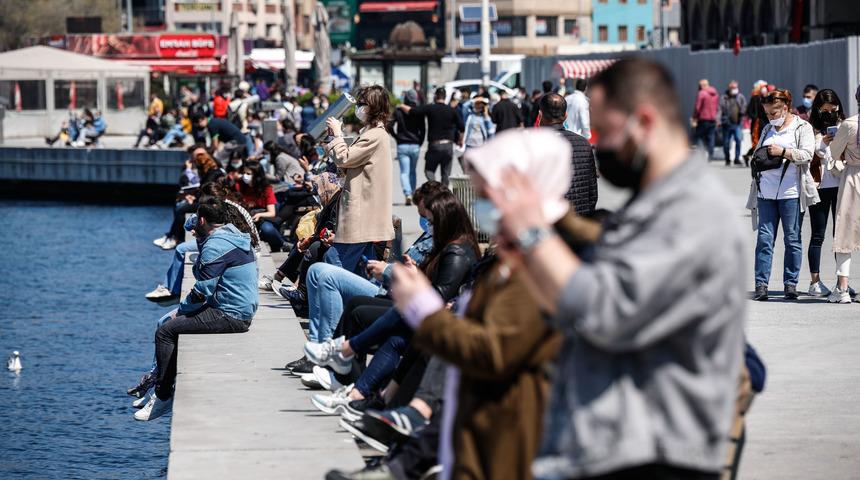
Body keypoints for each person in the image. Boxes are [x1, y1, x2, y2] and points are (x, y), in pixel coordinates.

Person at [473, 58, 747, 480]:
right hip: (616, 447)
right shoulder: (657, 202)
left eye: (606, 131)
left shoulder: (695, 212)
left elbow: (603, 308)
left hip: (653, 454)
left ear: (644, 121)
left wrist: (533, 231)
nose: (600, 147)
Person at [389, 129, 572, 480]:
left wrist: (424, 311)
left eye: (487, 192)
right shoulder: (517, 256)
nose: (483, 204)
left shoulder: (541, 266)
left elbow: (492, 350)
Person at [307, 190, 480, 417]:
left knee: (371, 317)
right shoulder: (445, 245)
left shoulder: (456, 252)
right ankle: (351, 382)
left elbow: (436, 297)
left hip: (432, 319)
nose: (427, 225)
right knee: (359, 306)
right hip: (422, 312)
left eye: (429, 220)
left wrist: (403, 276)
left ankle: (346, 360)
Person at [134, 197, 258, 421]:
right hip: (236, 307)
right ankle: (158, 383)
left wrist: (182, 309)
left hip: (230, 314)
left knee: (166, 331)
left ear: (202, 219)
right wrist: (197, 227)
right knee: (164, 321)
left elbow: (202, 290)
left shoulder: (215, 246)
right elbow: (192, 229)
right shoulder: (231, 233)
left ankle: (163, 397)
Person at [747, 89, 818, 301]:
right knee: (765, 240)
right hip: (766, 192)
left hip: (791, 192)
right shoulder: (768, 128)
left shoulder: (802, 127)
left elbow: (807, 154)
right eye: (767, 114)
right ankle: (761, 285)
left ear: (785, 108)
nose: (770, 118)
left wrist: (783, 152)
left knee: (793, 239)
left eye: (773, 113)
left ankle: (790, 284)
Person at [323, 85, 395, 274]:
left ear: (373, 107)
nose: (358, 108)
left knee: (335, 262)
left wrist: (338, 134)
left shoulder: (375, 135)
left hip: (363, 212)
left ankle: (335, 302)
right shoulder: (372, 133)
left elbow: (344, 158)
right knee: (364, 268)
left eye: (362, 104)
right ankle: (362, 301)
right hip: (365, 212)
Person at [805, 88, 845, 297]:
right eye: (825, 110)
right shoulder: (809, 128)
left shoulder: (845, 125)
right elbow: (807, 153)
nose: (829, 113)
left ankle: (842, 281)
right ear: (818, 110)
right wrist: (822, 143)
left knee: (840, 235)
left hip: (841, 185)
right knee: (818, 235)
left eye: (833, 109)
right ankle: (815, 282)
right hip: (819, 186)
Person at [826, 84, 860, 304]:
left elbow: (833, 153)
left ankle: (843, 289)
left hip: (853, 177)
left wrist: (839, 169)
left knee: (846, 232)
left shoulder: (850, 124)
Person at [539, 93, 598, 217]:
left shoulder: (532, 144)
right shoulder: (583, 143)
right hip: (580, 218)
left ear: (540, 115)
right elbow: (592, 190)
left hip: (549, 220)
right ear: (565, 116)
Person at [400, 87, 465, 187]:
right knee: (446, 174)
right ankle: (443, 194)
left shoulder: (430, 108)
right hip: (448, 146)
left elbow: (412, 111)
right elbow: (462, 127)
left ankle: (435, 188)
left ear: (435, 96)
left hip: (435, 146)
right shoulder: (452, 110)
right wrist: (461, 140)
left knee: (428, 171)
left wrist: (401, 105)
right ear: (445, 97)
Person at [235, 160, 286, 252]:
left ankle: (282, 244)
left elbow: (272, 213)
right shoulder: (239, 186)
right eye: (243, 173)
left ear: (256, 175)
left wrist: (259, 215)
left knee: (267, 229)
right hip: (244, 218)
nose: (245, 176)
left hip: (262, 218)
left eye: (248, 173)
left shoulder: (266, 188)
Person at [390, 89, 426, 205]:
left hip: (402, 144)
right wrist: (419, 141)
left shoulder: (399, 111)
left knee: (404, 172)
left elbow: (390, 125)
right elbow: (423, 129)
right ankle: (413, 193)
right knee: (413, 171)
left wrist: (396, 137)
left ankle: (408, 194)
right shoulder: (418, 111)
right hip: (415, 144)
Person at [719, 80, 747, 166]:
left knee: (738, 140)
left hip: (737, 123)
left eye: (736, 87)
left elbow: (744, 106)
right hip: (726, 123)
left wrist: (742, 113)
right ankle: (727, 159)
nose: (735, 89)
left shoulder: (740, 97)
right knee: (726, 143)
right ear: (729, 88)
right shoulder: (724, 97)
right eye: (733, 88)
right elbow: (719, 109)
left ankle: (737, 158)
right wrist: (718, 120)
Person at [692, 78, 719, 159]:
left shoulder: (701, 93)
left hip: (703, 119)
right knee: (711, 137)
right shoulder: (715, 93)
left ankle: (701, 154)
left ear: (702, 85)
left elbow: (697, 107)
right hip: (713, 119)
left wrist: (694, 117)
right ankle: (710, 154)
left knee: (699, 136)